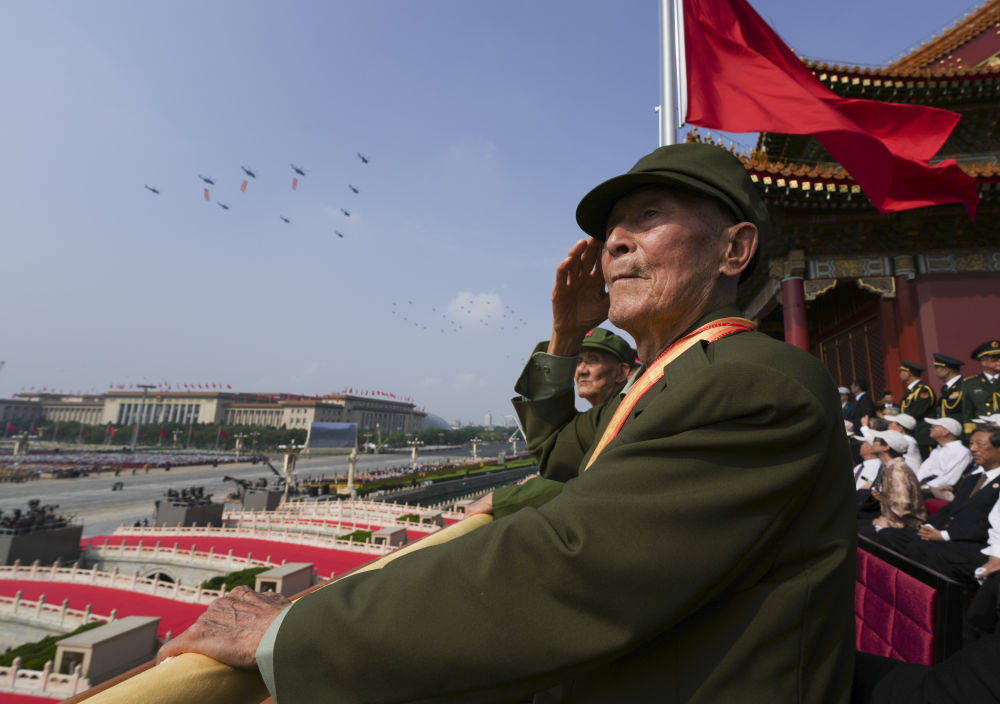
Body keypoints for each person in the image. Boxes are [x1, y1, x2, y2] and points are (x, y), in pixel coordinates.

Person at [158, 142, 856, 703]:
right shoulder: (668, 380)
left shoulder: (749, 383)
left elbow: (569, 563)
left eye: (647, 217)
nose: (614, 243)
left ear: (733, 251)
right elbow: (556, 453)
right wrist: (564, 335)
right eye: (612, 231)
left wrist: (295, 631)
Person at [874, 425, 1000, 585]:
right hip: (946, 532)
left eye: (980, 444)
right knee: (889, 535)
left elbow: (986, 523)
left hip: (974, 543)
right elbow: (951, 509)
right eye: (971, 444)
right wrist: (928, 527)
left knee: (923, 549)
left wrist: (944, 535)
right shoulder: (972, 479)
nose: (973, 449)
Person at [573, 327, 634, 406]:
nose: (581, 371)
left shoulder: (634, 413)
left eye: (593, 360)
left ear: (621, 372)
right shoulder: (585, 417)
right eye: (578, 361)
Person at [914, 417, 972, 495]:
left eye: (934, 427)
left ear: (945, 432)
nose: (931, 428)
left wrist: (923, 487)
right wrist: (916, 485)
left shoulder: (961, 451)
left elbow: (949, 478)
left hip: (937, 490)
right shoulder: (937, 450)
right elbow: (923, 470)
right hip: (924, 486)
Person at [961, 340, 1000, 435]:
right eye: (994, 359)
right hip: (984, 430)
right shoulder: (970, 383)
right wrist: (970, 435)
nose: (999, 361)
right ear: (983, 362)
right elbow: (968, 412)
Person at [899, 360, 936, 457]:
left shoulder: (924, 390)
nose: (899, 374)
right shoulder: (910, 391)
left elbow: (916, 412)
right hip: (914, 434)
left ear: (908, 373)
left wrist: (898, 419)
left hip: (924, 436)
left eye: (901, 372)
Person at [932, 353, 966, 424]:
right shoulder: (945, 388)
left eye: (937, 367)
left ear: (946, 370)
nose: (935, 371)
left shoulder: (964, 385)